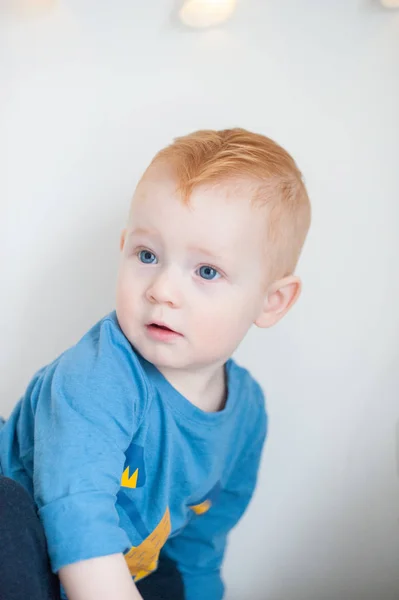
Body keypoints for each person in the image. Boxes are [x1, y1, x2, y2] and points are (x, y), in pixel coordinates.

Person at [0, 128, 311, 600]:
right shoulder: (96, 375)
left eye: (206, 271)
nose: (162, 289)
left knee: (169, 578)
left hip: (117, 559)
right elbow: (76, 514)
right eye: (147, 255)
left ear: (271, 301)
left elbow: (201, 549)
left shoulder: (246, 413)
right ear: (124, 247)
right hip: (42, 530)